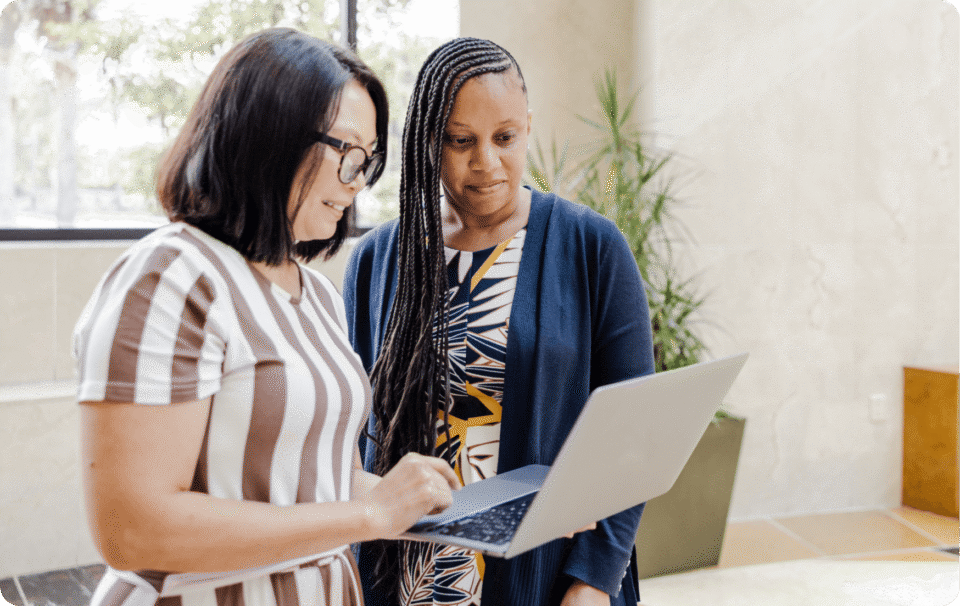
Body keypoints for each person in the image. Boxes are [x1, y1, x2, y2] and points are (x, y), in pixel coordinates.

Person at [73, 28, 460, 606]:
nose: (355, 185)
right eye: (347, 155)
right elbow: (134, 531)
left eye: (368, 162)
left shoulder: (318, 296)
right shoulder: (175, 276)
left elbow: (302, 480)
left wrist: (404, 499)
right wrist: (367, 513)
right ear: (270, 137)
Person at [343, 37, 655, 606]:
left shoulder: (592, 247)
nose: (486, 162)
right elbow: (349, 429)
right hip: (405, 576)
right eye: (461, 142)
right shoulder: (377, 260)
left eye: (504, 138)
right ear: (426, 145)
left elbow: (633, 435)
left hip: (550, 578)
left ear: (528, 127)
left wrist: (592, 582)